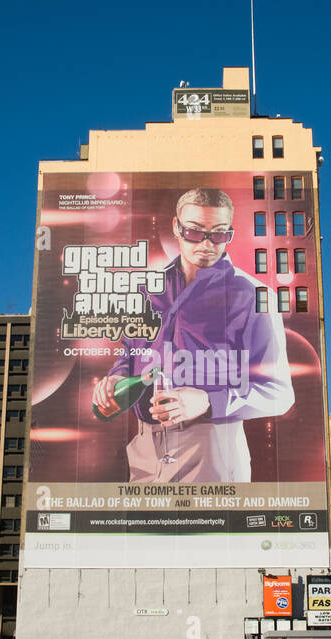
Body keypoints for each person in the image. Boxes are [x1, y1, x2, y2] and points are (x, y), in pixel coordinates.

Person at [91, 188, 294, 482]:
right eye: (195, 232)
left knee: (209, 529)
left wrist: (209, 402)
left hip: (213, 446)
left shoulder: (253, 296)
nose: (208, 245)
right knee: (144, 530)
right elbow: (130, 352)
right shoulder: (146, 290)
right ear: (176, 227)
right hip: (144, 446)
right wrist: (116, 380)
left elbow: (280, 393)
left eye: (220, 234)